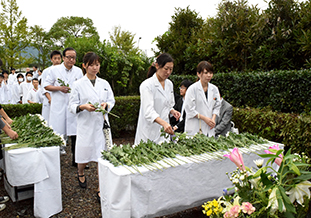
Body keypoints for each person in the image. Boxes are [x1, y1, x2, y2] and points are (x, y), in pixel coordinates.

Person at [69, 52, 115, 200]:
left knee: (102, 156)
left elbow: (111, 100)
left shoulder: (104, 83)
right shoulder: (77, 84)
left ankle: (101, 188)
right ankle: (80, 172)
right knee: (83, 155)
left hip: (101, 124)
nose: (95, 68)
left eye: (97, 64)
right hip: (86, 124)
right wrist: (83, 107)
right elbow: (72, 105)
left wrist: (106, 105)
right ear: (84, 66)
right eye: (91, 65)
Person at [44, 47, 83, 158]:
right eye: (68, 57)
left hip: (72, 106)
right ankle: (54, 157)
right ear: (63, 58)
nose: (71, 60)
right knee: (57, 131)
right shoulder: (54, 70)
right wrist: (59, 88)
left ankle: (76, 159)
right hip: (59, 105)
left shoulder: (78, 71)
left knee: (75, 133)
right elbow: (46, 86)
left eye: (73, 58)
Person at [134, 53, 180, 145]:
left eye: (171, 69)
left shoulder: (169, 84)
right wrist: (163, 123)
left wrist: (172, 111)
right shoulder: (147, 85)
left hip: (164, 131)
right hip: (149, 130)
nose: (168, 72)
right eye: (166, 69)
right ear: (157, 66)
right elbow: (148, 111)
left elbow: (168, 103)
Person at [184, 61, 221, 137]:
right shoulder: (192, 89)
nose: (209, 75)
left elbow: (217, 106)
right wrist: (204, 118)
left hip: (209, 128)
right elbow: (189, 109)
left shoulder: (214, 89)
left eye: (210, 73)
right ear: (198, 74)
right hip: (195, 127)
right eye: (206, 73)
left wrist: (213, 119)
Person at [41, 50, 62, 125]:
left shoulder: (63, 71)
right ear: (51, 59)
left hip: (60, 100)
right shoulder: (46, 71)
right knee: (48, 122)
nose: (57, 60)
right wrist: (50, 99)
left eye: (59, 58)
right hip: (49, 100)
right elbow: (44, 87)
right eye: (55, 58)